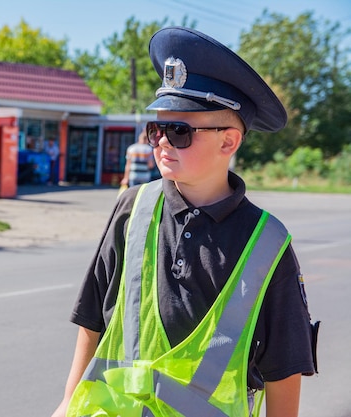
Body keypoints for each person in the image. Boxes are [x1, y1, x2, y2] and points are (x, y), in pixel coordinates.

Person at [51, 27, 318, 417]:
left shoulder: (266, 244)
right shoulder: (132, 207)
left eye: (179, 132)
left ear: (228, 142)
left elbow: (284, 371)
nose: (160, 141)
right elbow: (92, 323)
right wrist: (66, 404)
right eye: (156, 129)